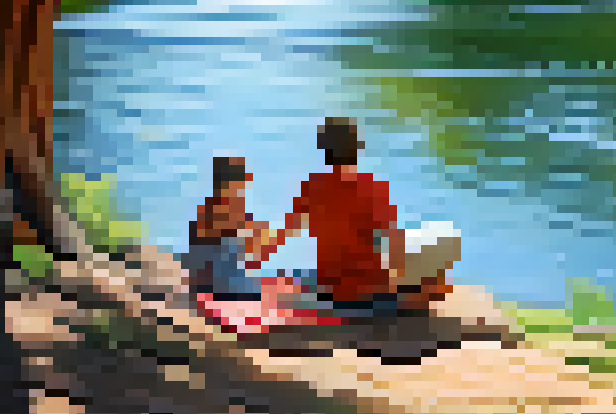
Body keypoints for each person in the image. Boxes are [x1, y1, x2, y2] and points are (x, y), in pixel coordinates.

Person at [273, 116, 461, 317]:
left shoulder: (311, 187)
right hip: (369, 297)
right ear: (357, 149)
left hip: (329, 290)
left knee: (302, 278)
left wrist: (252, 255)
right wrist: (397, 285)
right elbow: (395, 245)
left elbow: (286, 232)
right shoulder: (372, 189)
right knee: (440, 252)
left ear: (324, 151)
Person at [186, 155, 271, 300]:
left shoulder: (208, 207)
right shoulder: (227, 207)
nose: (243, 186)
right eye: (241, 181)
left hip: (207, 282)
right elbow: (255, 245)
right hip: (221, 285)